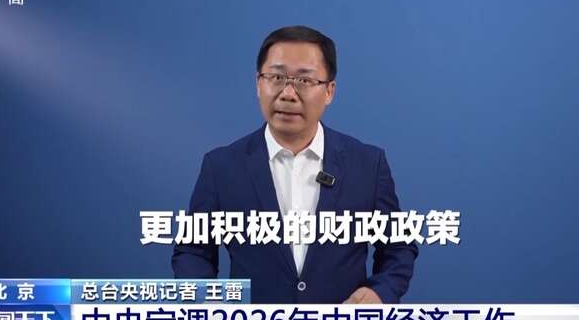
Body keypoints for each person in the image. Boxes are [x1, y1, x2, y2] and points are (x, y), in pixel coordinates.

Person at [171, 25, 417, 303]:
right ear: (258, 84)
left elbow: (399, 247)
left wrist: (379, 292)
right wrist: (209, 304)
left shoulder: (368, 165)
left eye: (304, 80)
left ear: (329, 91)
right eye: (276, 77)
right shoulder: (221, 167)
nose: (288, 93)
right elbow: (193, 251)